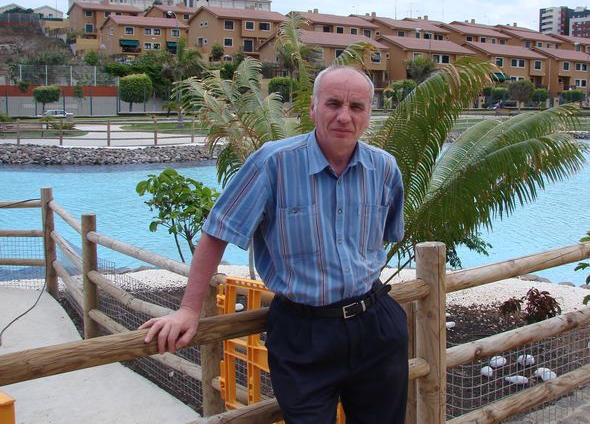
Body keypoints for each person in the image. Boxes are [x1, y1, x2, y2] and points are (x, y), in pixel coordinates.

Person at [141, 65, 407, 423]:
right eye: (333, 104)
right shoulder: (273, 163)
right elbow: (217, 230)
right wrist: (188, 310)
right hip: (303, 333)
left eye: (356, 106)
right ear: (313, 108)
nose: (344, 116)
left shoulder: (385, 169)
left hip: (375, 325)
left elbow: (384, 237)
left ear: (368, 114)